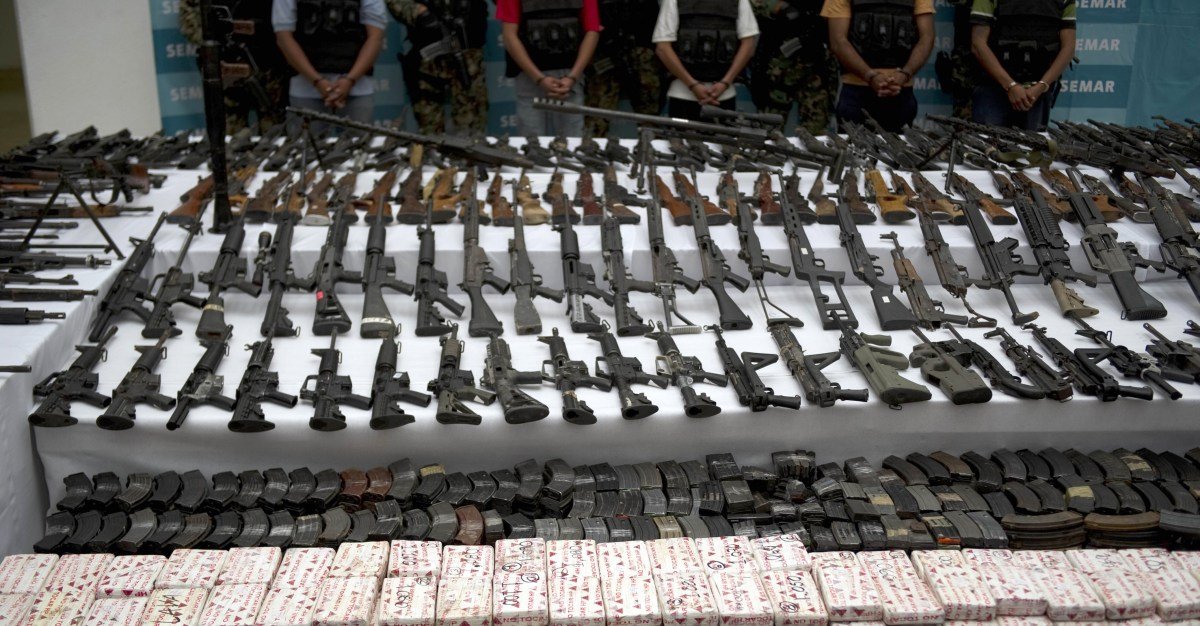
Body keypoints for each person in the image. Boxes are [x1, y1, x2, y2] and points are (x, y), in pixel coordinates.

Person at [822, 0, 936, 132]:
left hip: (900, 92)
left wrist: (905, 74)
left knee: (899, 145)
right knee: (852, 145)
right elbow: (838, 41)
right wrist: (869, 76)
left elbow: (927, 37)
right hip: (856, 92)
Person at [179, 0, 290, 133]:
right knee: (230, 135)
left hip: (268, 65)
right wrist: (220, 36)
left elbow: (287, 24)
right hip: (226, 68)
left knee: (273, 130)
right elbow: (190, 25)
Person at [498, 0, 602, 137]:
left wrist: (572, 77)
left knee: (572, 141)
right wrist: (539, 78)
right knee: (531, 142)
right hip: (530, 77)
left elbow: (592, 31)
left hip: (569, 77)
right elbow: (509, 36)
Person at [272, 0, 387, 123]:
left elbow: (375, 38)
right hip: (306, 87)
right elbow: (284, 38)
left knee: (360, 135)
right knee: (305, 135)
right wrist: (317, 81)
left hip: (357, 87)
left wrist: (350, 80)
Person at [386, 0, 491, 136]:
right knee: (430, 131)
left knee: (471, 130)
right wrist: (418, 11)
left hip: (469, 60)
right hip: (427, 60)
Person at [970, 0, 1076, 130]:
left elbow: (1068, 47)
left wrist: (1041, 86)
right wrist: (1010, 85)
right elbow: (978, 44)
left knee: (1034, 142)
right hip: (994, 89)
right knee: (988, 141)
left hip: (1037, 93)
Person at [652, 0, 759, 120]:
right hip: (683, 94)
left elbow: (748, 45)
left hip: (723, 95)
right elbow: (663, 48)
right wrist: (693, 85)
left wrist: (724, 83)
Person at [749, 0, 836, 134]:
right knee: (769, 130)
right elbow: (751, 6)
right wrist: (781, 7)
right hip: (778, 62)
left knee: (816, 131)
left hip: (814, 61)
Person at [583, 1, 666, 136]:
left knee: (650, 118)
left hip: (642, 50)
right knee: (596, 119)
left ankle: (650, 146)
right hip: (605, 51)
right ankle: (591, 146)